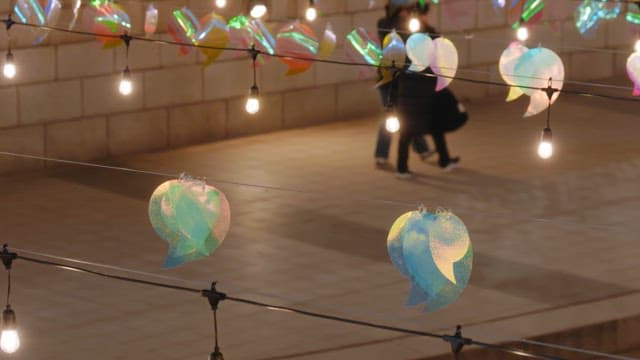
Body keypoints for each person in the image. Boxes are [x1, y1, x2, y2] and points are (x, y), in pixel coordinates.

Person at [395, 2, 460, 178]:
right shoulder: (428, 34)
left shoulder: (403, 33)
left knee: (409, 128)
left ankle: (403, 167)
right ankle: (443, 160)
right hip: (423, 88)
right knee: (431, 125)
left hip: (408, 88)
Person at [374, 1, 434, 167]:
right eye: (407, 10)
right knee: (391, 114)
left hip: (404, 79)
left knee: (407, 113)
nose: (409, 13)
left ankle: (422, 149)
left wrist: (422, 22)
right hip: (387, 80)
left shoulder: (412, 27)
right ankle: (381, 155)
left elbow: (429, 39)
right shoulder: (385, 24)